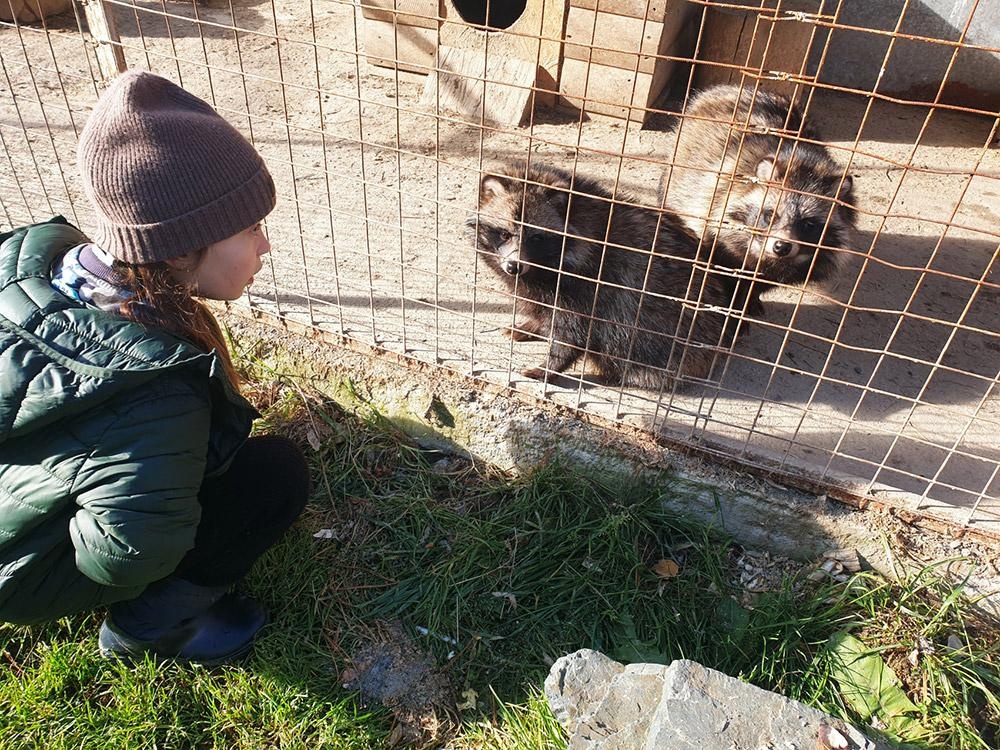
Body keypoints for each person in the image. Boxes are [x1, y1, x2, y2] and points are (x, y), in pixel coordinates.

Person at [0, 70, 310, 665]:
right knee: (273, 477)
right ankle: (150, 627)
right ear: (176, 247)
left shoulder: (27, 275)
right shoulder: (158, 391)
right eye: (250, 229)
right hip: (17, 571)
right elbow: (125, 554)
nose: (265, 246)